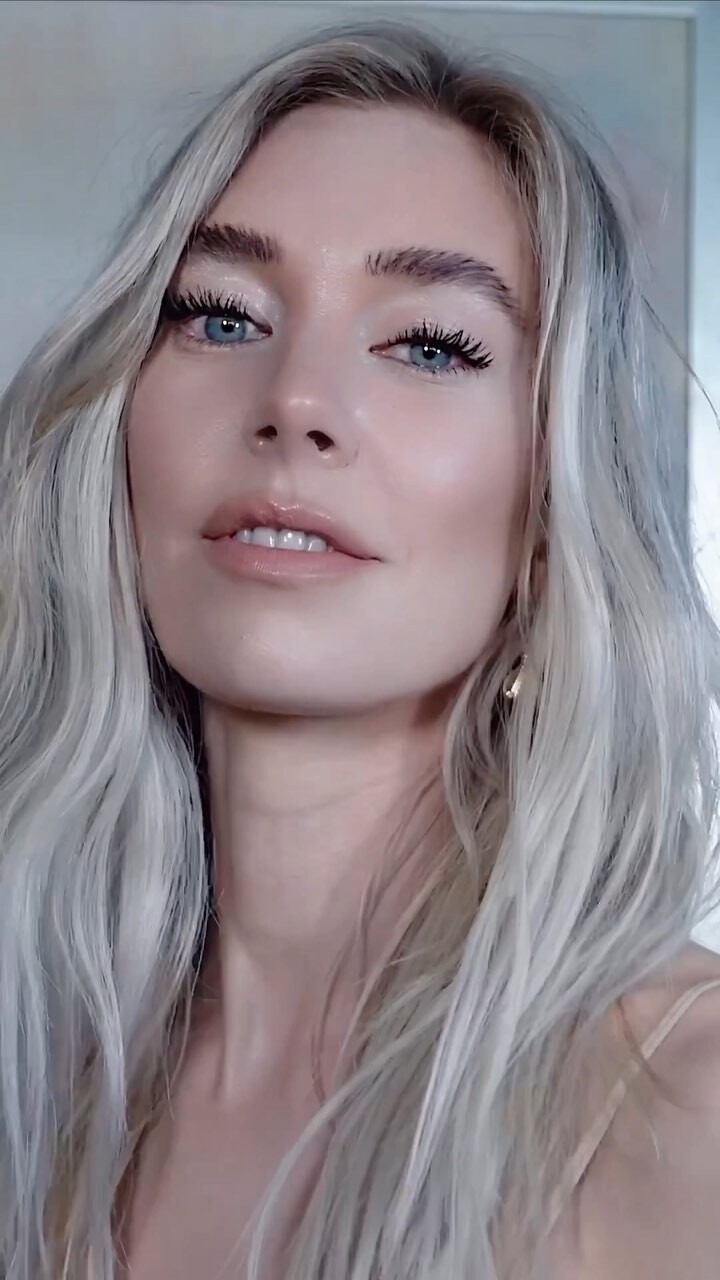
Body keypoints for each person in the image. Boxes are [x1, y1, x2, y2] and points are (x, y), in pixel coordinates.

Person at [1, 16, 719, 1280]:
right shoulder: (39, 1072)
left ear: (551, 518)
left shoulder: (686, 1109)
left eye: (430, 343)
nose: (295, 400)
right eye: (224, 316)